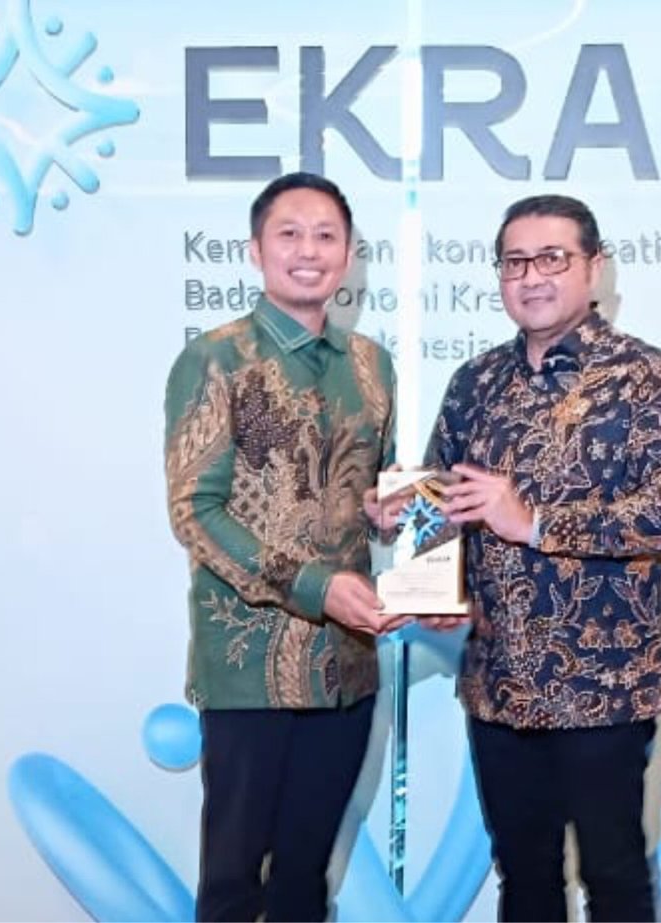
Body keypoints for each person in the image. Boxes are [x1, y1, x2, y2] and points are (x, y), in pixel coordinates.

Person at [423, 194, 661, 921]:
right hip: (498, 681)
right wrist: (430, 577)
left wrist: (536, 523)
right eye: (515, 261)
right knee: (524, 879)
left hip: (605, 684)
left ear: (594, 267)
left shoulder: (647, 377)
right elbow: (440, 504)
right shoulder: (475, 382)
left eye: (552, 258)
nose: (532, 277)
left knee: (614, 876)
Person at [164, 172, 408, 922]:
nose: (309, 251)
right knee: (234, 881)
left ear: (349, 254)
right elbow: (194, 510)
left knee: (306, 879)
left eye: (326, 235)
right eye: (290, 234)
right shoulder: (215, 359)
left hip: (347, 666)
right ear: (255, 250)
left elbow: (373, 487)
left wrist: (387, 509)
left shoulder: (372, 364)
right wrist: (314, 586)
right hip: (249, 670)